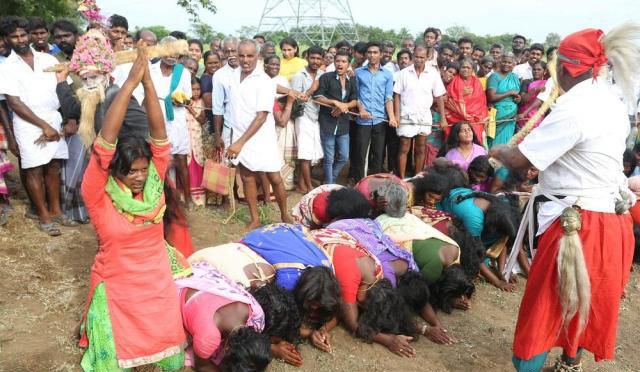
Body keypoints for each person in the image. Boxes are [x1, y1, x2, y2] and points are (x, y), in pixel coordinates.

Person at [490, 26, 638, 371]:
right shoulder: (610, 99)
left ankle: (532, 363)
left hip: (580, 224)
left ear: (568, 68)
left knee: (547, 305)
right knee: (583, 299)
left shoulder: (575, 106)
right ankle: (571, 362)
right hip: (609, 221)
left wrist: (499, 150)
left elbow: (521, 161)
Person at [77, 41, 186, 370]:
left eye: (143, 169)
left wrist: (148, 82)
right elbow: (104, 144)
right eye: (131, 172)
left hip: (156, 283)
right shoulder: (99, 194)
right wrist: (129, 83)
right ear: (114, 171)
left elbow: (159, 135)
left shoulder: (154, 184)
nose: (138, 177)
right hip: (118, 287)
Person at [0, 16, 69, 236]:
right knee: (34, 169)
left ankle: (57, 210)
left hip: (53, 117)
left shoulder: (48, 59)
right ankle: (44, 216)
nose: (20, 39)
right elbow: (14, 103)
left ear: (29, 34)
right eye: (14, 36)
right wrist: (42, 126)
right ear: (6, 39)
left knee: (54, 166)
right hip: (27, 123)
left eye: (22, 34)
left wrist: (69, 118)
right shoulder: (6, 67)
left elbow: (63, 89)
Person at [226, 39, 291, 229]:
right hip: (239, 134)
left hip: (260, 137)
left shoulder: (264, 81)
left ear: (258, 57)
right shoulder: (233, 76)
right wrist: (235, 139)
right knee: (247, 178)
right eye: (242, 55)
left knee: (274, 177)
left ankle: (285, 214)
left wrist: (239, 143)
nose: (245, 60)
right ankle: (255, 218)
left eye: (250, 56)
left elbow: (262, 117)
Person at [175, 262, 271, 371]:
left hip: (198, 275)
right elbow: (202, 366)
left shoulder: (248, 309)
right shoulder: (209, 337)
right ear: (226, 349)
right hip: (179, 288)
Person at [150, 36, 193, 208]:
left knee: (181, 160)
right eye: (169, 52)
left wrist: (182, 101)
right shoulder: (150, 69)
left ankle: (187, 199)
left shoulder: (183, 72)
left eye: (176, 53)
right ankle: (159, 198)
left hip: (176, 120)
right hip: (155, 116)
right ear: (161, 51)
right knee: (157, 159)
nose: (172, 56)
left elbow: (188, 99)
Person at [393, 45, 447, 179]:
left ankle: (417, 178)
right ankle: (402, 178)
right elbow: (397, 96)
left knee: (420, 148)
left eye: (422, 57)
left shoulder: (433, 73)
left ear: (426, 58)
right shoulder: (403, 73)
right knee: (404, 148)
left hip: (424, 116)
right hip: (406, 115)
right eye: (416, 57)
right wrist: (396, 116)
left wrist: (443, 118)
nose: (419, 60)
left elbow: (439, 96)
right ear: (412, 57)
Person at [353, 41, 398, 181]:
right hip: (363, 119)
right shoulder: (358, 73)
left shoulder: (387, 74)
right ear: (366, 54)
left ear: (381, 54)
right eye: (369, 52)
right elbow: (355, 95)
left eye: (375, 52)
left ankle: (374, 186)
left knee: (378, 154)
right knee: (361, 154)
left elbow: (388, 97)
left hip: (380, 119)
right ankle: (360, 183)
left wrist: (391, 117)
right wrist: (361, 109)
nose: (372, 55)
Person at [313, 50, 358, 184]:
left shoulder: (351, 80)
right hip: (327, 122)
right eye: (337, 61)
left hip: (343, 123)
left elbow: (355, 100)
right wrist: (334, 102)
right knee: (329, 158)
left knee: (344, 156)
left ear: (348, 64)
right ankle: (330, 184)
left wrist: (344, 106)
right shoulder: (326, 77)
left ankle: (329, 179)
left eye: (343, 62)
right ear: (334, 62)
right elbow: (318, 97)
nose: (340, 64)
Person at [291, 46, 324, 193]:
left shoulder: (323, 74)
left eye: (318, 58)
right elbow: (297, 98)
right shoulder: (300, 75)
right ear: (307, 58)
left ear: (322, 59)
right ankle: (308, 186)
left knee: (314, 153)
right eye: (313, 58)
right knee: (305, 154)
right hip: (303, 116)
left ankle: (302, 184)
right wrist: (311, 90)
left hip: (317, 117)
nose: (315, 61)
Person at [444, 57, 488, 144]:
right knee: (454, 143)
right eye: (463, 67)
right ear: (459, 69)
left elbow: (481, 102)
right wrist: (461, 95)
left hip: (475, 119)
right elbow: (447, 100)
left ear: (473, 70)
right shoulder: (453, 81)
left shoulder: (477, 82)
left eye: (468, 68)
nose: (465, 70)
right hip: (455, 119)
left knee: (475, 141)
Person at [487, 53, 521, 147]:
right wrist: (509, 93)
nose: (506, 64)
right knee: (495, 142)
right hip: (499, 114)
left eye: (509, 62)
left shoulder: (514, 77)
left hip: (511, 115)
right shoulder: (494, 77)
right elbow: (491, 97)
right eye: (504, 62)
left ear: (513, 64)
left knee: (507, 143)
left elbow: (516, 94)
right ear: (500, 62)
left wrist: (518, 99)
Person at [213, 37, 239, 150]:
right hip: (229, 128)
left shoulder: (251, 70)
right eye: (227, 51)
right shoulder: (219, 75)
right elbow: (217, 108)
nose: (231, 54)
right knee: (228, 165)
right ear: (223, 53)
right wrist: (218, 136)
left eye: (234, 51)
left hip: (250, 128)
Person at [185, 76, 206, 207]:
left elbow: (202, 120)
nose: (196, 92)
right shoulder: (180, 102)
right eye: (193, 89)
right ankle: (186, 196)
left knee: (198, 165)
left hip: (197, 139)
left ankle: (199, 199)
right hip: (186, 139)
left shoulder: (201, 102)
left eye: (198, 89)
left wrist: (190, 108)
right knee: (187, 166)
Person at [517, 60, 547, 130]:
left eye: (539, 69)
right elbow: (523, 99)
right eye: (534, 69)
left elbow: (541, 101)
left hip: (537, 117)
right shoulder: (526, 82)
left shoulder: (547, 83)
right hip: (523, 116)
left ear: (544, 71)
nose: (536, 71)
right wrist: (535, 89)